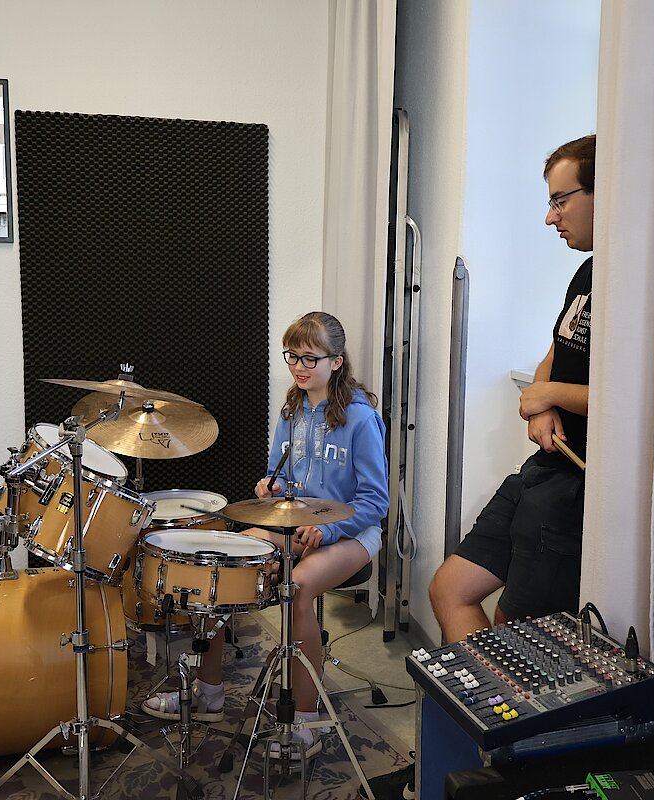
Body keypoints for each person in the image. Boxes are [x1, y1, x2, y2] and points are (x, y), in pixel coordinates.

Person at [143, 311, 389, 760]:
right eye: (292, 356)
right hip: (295, 526)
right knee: (222, 562)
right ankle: (208, 694)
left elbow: (375, 501)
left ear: (336, 361)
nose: (299, 367)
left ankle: (306, 721)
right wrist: (273, 490)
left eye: (310, 358)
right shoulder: (292, 410)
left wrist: (330, 528)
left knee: (297, 588)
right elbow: (284, 477)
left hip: (352, 533)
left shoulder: (360, 418)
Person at [429, 134, 594, 644]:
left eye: (560, 200)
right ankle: (481, 698)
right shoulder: (588, 272)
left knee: (514, 632)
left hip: (576, 489)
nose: (550, 217)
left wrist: (550, 396)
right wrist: (540, 402)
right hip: (543, 469)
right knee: (450, 589)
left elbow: (638, 401)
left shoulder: (638, 285)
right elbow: (555, 353)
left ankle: (502, 698)